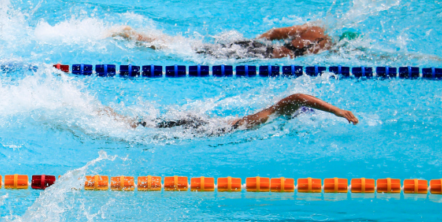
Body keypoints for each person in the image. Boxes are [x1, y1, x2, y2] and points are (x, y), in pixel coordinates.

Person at [102, 93, 358, 135]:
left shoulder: (272, 118)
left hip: (207, 125)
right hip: (206, 127)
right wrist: (337, 111)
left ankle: (116, 118)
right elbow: (297, 97)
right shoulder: (273, 113)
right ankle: (112, 118)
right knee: (137, 127)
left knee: (143, 125)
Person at [110, 23, 360, 59]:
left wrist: (252, 42)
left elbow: (274, 32)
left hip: (254, 46)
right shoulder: (323, 45)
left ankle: (137, 35)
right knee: (195, 53)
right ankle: (134, 35)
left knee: (195, 47)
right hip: (258, 55)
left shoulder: (314, 28)